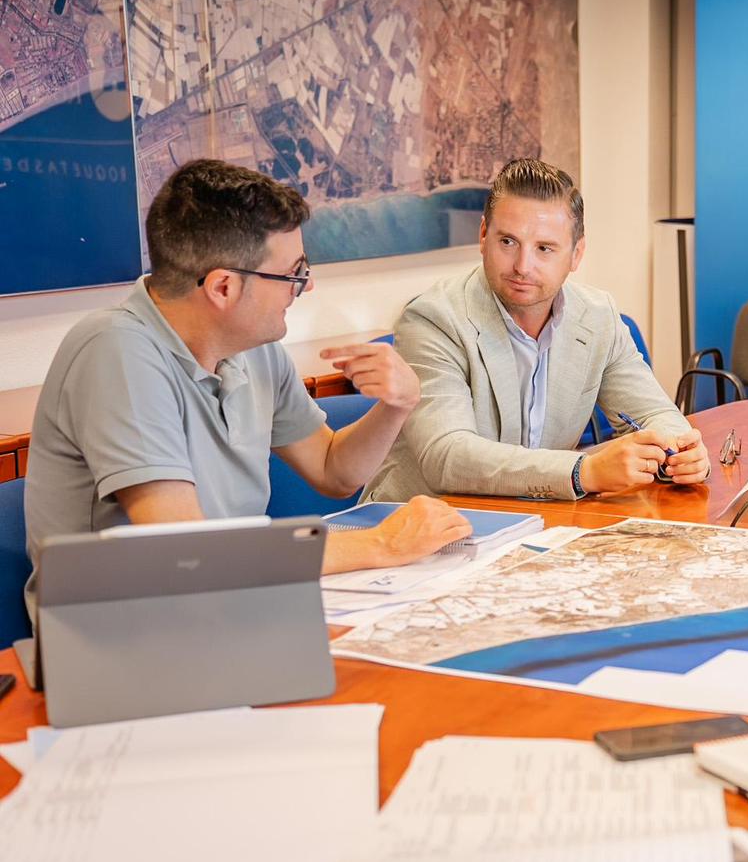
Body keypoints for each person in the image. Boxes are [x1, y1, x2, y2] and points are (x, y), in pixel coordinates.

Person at [24, 159, 472, 618]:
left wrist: (398, 405)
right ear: (223, 288)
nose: (306, 287)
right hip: (119, 628)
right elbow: (186, 554)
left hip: (229, 604)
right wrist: (381, 544)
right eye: (294, 274)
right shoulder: (116, 350)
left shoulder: (251, 347)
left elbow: (332, 471)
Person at [364, 158, 708, 502]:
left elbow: (653, 413)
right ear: (483, 236)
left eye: (544, 248)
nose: (522, 266)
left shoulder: (597, 317)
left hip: (537, 519)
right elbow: (448, 457)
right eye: (508, 242)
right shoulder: (433, 319)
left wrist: (680, 452)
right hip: (419, 521)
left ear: (576, 254)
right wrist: (582, 471)